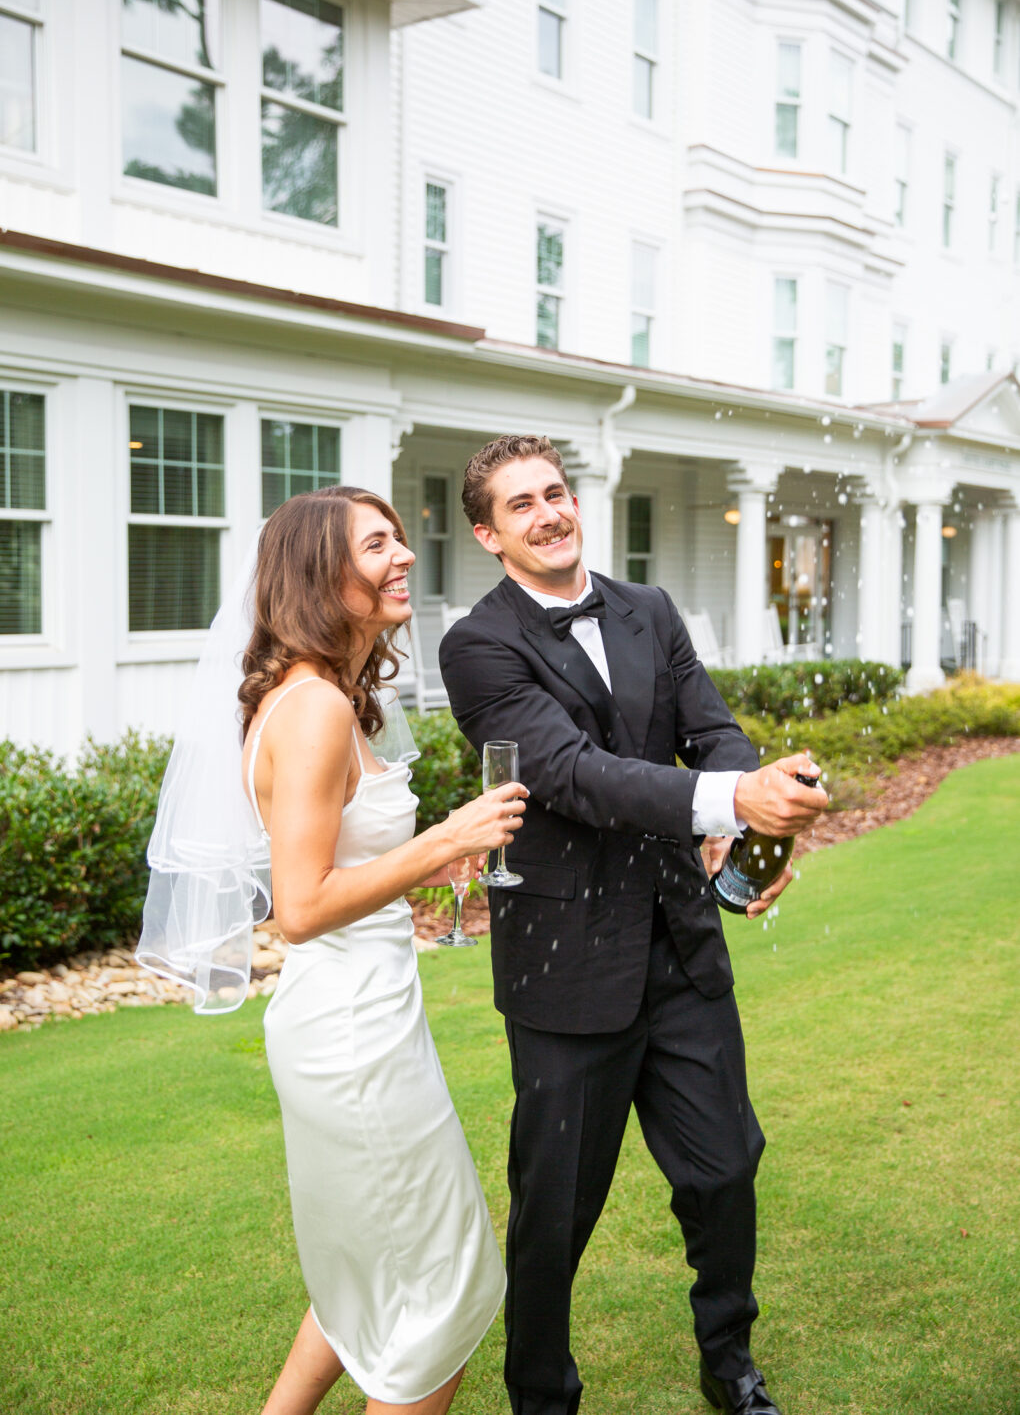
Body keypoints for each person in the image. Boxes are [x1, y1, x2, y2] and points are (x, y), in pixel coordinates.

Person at [438, 437, 828, 1415]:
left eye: (556, 493)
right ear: (489, 533)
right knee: (556, 1207)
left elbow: (715, 729)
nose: (549, 513)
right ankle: (541, 1394)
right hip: (565, 973)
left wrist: (738, 823)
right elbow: (570, 775)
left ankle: (729, 1362)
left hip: (683, 949)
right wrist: (725, 794)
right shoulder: (478, 648)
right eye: (520, 504)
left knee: (726, 1165)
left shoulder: (649, 610)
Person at [141, 486, 527, 1415]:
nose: (403, 557)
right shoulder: (311, 708)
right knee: (437, 1302)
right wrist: (445, 842)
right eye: (376, 547)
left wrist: (430, 866)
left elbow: (346, 867)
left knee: (362, 1278)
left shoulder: (328, 697)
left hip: (368, 1015)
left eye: (400, 540)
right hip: (351, 1032)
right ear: (320, 573)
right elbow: (302, 907)